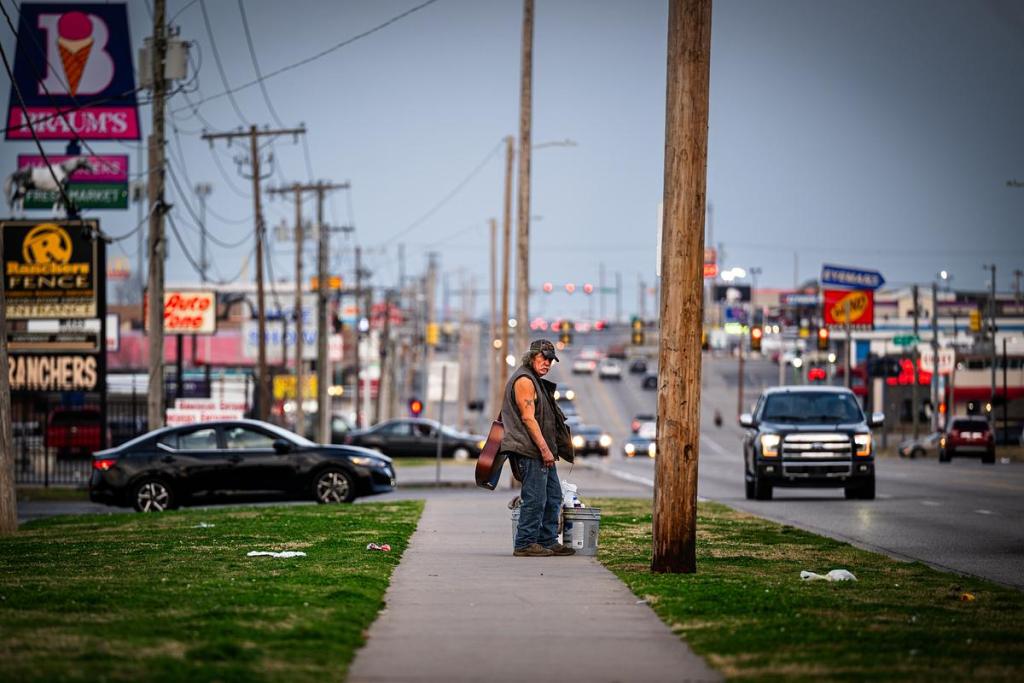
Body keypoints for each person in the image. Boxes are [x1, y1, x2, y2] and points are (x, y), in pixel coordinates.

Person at [500, 339, 575, 557]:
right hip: (531, 451)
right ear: (532, 357)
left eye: (551, 360)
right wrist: (544, 450)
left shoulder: (536, 380)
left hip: (543, 452)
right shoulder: (525, 380)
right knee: (535, 498)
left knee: (553, 497)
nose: (547, 363)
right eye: (544, 358)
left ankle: (547, 540)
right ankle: (524, 543)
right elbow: (528, 418)